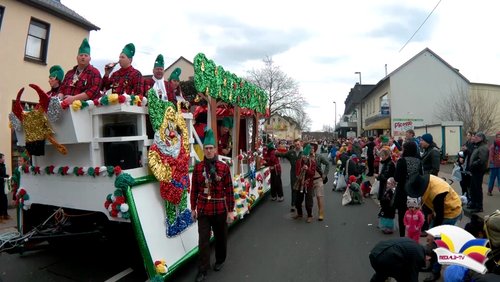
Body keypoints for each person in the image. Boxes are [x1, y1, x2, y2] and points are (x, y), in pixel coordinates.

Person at [190, 129, 235, 282]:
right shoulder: (197, 168)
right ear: (204, 150)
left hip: (220, 210)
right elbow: (194, 189)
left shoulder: (224, 167)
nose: (209, 151)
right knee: (203, 240)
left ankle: (220, 260)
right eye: (206, 148)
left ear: (215, 149)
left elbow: (229, 190)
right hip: (203, 209)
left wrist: (230, 211)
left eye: (211, 148)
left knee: (221, 237)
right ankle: (203, 269)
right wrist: (192, 208)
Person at [406, 174, 462, 282]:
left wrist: (433, 234)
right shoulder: (425, 183)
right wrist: (430, 212)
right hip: (439, 211)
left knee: (439, 244)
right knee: (432, 243)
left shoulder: (437, 192)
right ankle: (431, 266)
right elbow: (428, 200)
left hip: (450, 213)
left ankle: (436, 272)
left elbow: (440, 216)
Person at [58, 38, 102, 106]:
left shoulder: (95, 72)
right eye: (81, 55)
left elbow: (93, 91)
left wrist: (73, 99)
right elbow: (61, 88)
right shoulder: (69, 73)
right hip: (65, 106)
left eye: (86, 55)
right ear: (77, 57)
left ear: (90, 58)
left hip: (84, 109)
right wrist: (60, 95)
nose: (83, 57)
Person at [394, 141, 423, 237]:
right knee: (415, 214)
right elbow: (421, 176)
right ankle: (414, 235)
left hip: (403, 191)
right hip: (414, 192)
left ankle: (402, 236)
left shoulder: (402, 161)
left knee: (402, 214)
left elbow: (397, 178)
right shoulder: (418, 161)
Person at [276, 138, 303, 212]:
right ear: (294, 145)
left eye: (298, 144)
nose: (297, 146)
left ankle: (299, 203)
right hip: (293, 172)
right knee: (294, 189)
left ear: (300, 144)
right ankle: (293, 205)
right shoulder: (291, 152)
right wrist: (275, 153)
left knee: (301, 189)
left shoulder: (303, 153)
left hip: (302, 173)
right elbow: (283, 154)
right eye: (296, 145)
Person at [292, 144, 316, 223]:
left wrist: (307, 169)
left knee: (308, 202)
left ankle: (309, 215)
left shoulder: (312, 163)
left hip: (308, 184)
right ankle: (299, 214)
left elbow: (312, 173)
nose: (304, 157)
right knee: (298, 200)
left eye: (305, 156)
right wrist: (301, 172)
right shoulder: (299, 162)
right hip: (300, 183)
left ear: (308, 156)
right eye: (303, 156)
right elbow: (296, 172)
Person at [467, 132, 489, 212]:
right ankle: (473, 203)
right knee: (473, 188)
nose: (474, 138)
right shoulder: (478, 146)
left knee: (477, 188)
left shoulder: (483, 147)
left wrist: (473, 164)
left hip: (478, 171)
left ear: (481, 138)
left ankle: (479, 206)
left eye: (476, 137)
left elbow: (482, 160)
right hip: (475, 171)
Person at [311, 142, 330, 220]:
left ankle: (321, 213)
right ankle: (310, 213)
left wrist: (324, 175)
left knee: (319, 197)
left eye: (312, 148)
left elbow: (327, 164)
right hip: (309, 181)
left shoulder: (319, 156)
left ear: (315, 149)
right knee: (310, 198)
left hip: (318, 179)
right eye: (309, 148)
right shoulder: (305, 157)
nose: (311, 149)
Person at [487, 131, 500, 196]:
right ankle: (489, 190)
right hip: (494, 166)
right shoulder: (493, 146)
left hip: (499, 166)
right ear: (496, 137)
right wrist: (492, 162)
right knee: (492, 179)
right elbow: (490, 156)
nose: (499, 138)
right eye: (498, 137)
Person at [0, 153, 9, 222]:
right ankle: (0, 216)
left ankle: (5, 214)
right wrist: (3, 178)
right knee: (1, 201)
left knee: (5, 200)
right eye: (3, 157)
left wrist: (7, 176)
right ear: (0, 159)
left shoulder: (3, 166)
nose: (4, 159)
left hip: (3, 186)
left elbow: (2, 174)